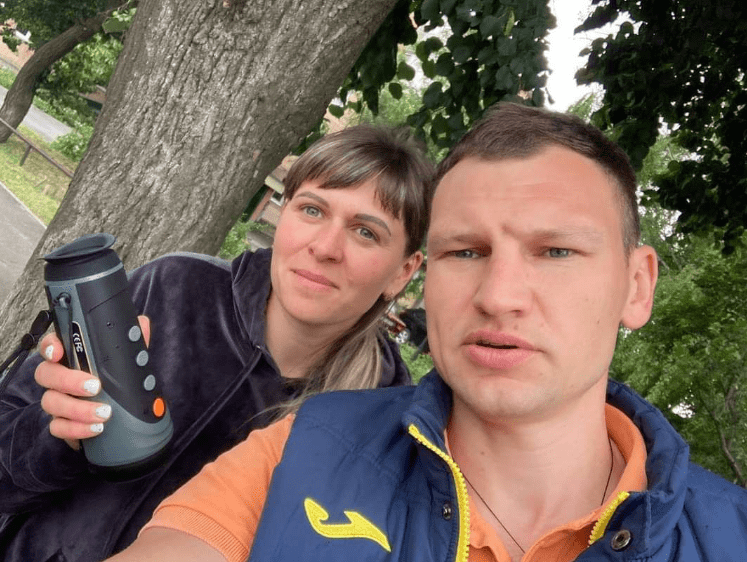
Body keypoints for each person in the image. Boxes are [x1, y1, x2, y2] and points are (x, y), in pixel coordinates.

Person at [108, 102, 747, 562]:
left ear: (636, 285)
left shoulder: (728, 535)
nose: (498, 296)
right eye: (465, 251)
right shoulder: (306, 447)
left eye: (555, 251)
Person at [0, 125, 434, 561]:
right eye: (312, 210)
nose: (325, 247)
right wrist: (59, 437)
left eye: (365, 232)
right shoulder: (174, 288)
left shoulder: (385, 422)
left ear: (403, 272)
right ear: (284, 213)